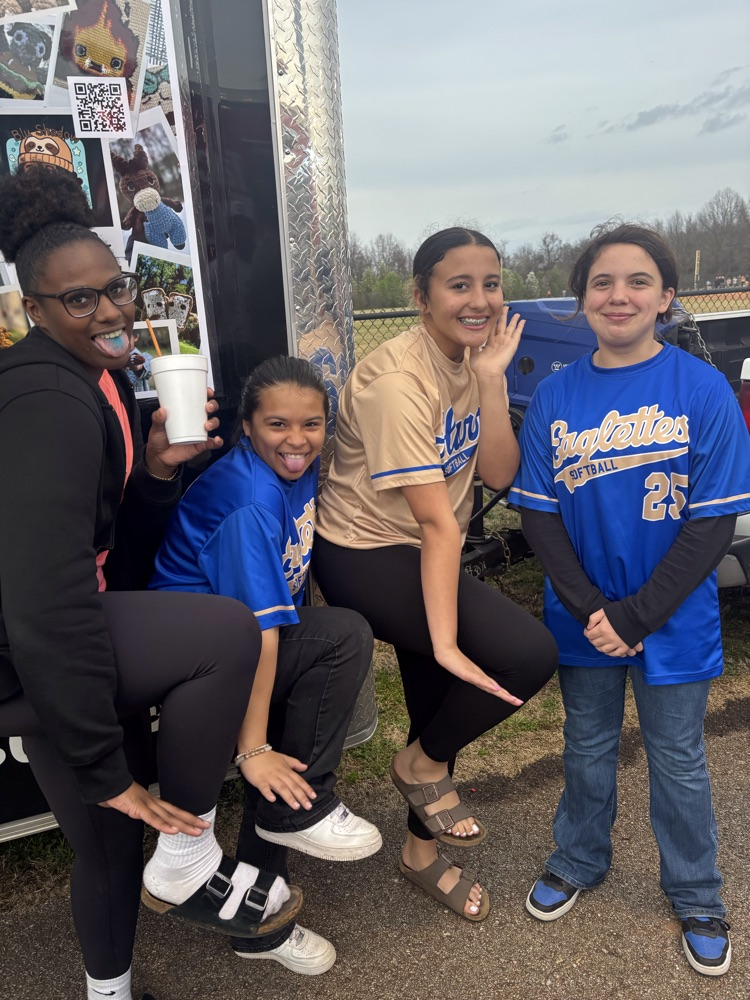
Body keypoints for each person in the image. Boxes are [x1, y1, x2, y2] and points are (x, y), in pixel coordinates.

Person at [0, 168, 301, 1000]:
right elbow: (40, 595)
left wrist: (160, 469)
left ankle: (109, 992)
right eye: (78, 301)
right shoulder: (41, 399)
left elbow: (105, 537)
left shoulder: (96, 381)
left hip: (76, 637)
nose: (109, 312)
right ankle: (190, 853)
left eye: (115, 289)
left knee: (103, 844)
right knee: (223, 633)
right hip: (35, 654)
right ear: (36, 310)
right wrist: (104, 764)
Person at [509, 223, 750, 977]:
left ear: (667, 297)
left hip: (671, 615)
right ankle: (578, 858)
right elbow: (538, 513)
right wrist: (593, 611)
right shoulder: (556, 393)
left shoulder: (701, 387)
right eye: (602, 282)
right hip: (586, 615)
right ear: (580, 301)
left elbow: (713, 521)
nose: (620, 295)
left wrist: (638, 615)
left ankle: (697, 891)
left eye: (638, 281)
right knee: (586, 746)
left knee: (677, 758)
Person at [311, 227, 559, 921]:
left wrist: (489, 382)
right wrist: (447, 641)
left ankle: (420, 850)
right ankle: (419, 767)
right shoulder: (397, 382)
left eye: (491, 283)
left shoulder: (472, 362)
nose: (479, 300)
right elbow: (439, 523)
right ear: (420, 297)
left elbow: (499, 474)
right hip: (366, 551)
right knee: (524, 654)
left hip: (424, 545)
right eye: (459, 285)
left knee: (437, 709)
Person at [150, 355, 379, 974]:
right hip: (194, 661)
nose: (297, 440)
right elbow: (260, 631)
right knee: (343, 638)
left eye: (312, 424)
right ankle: (290, 812)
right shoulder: (249, 497)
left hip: (237, 644)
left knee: (295, 744)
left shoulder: (295, 467)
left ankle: (262, 920)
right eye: (277, 425)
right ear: (247, 427)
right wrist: (252, 749)